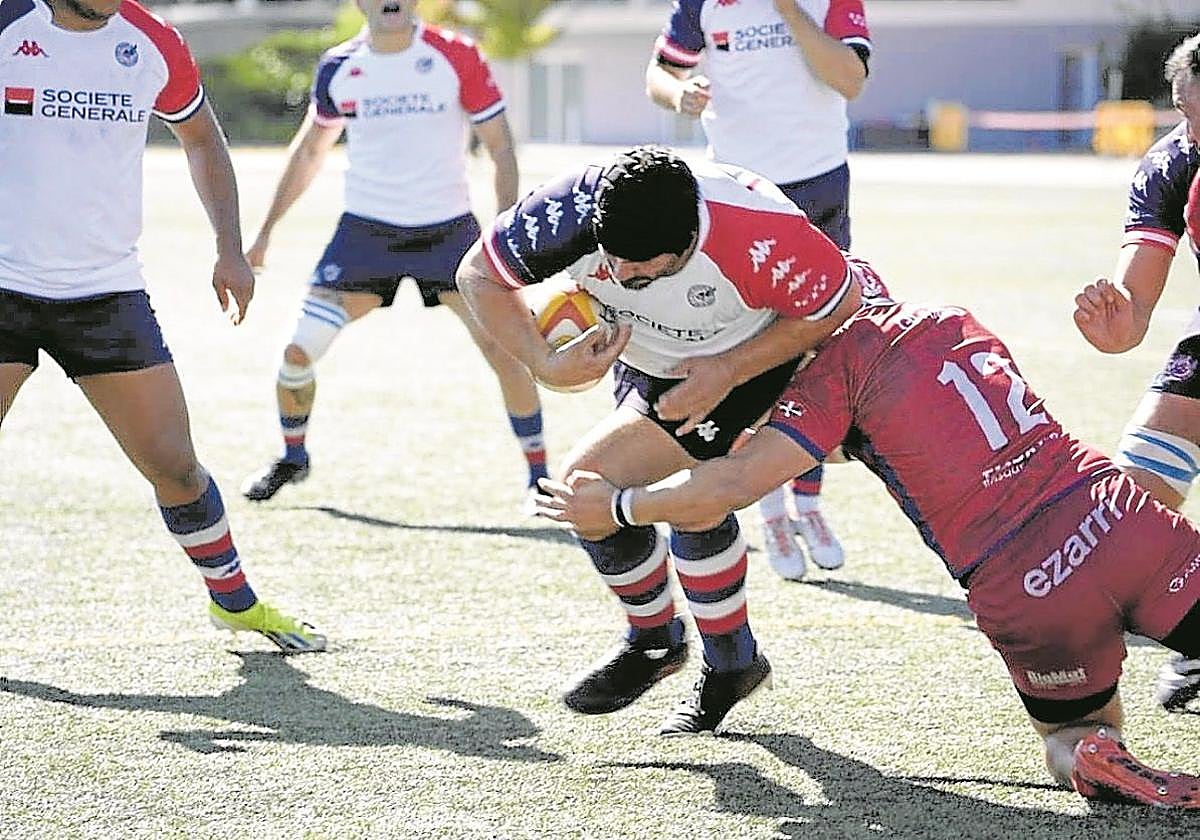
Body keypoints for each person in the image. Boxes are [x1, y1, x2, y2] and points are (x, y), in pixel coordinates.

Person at [537, 298, 1200, 806]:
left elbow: (731, 487)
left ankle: (1090, 753)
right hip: (1116, 518)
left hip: (1026, 586)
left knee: (1074, 732)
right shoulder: (948, 317)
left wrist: (623, 507)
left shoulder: (832, 376)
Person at [457, 145, 883, 734]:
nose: (625, 279)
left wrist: (730, 369)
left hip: (750, 355)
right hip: (654, 362)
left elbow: (839, 302)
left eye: (649, 271)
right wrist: (542, 363)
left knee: (662, 494)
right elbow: (477, 273)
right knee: (599, 496)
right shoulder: (569, 209)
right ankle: (678, 647)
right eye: (616, 263)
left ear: (691, 240)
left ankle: (696, 653)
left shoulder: (755, 228)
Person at [0, 0, 324, 652]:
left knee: (176, 468)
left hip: (105, 293)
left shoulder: (151, 41)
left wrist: (230, 248)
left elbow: (201, 137)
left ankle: (234, 604)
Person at [240, 0, 547, 512]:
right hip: (366, 235)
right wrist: (265, 230)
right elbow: (311, 150)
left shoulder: (456, 55)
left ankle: (539, 477)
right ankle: (293, 456)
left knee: (508, 350)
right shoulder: (339, 66)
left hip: (449, 234)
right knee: (298, 352)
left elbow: (500, 146)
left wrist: (504, 235)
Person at [645, 0, 872, 581]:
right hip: (738, 194)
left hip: (819, 185)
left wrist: (789, 10)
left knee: (822, 349)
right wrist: (681, 96)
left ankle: (811, 505)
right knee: (752, 351)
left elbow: (850, 79)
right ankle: (771, 508)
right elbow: (660, 74)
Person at [1072, 32, 1200, 712]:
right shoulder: (1174, 161)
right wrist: (1116, 322)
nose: (1194, 129)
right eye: (1185, 109)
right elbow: (1137, 302)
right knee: (1133, 509)